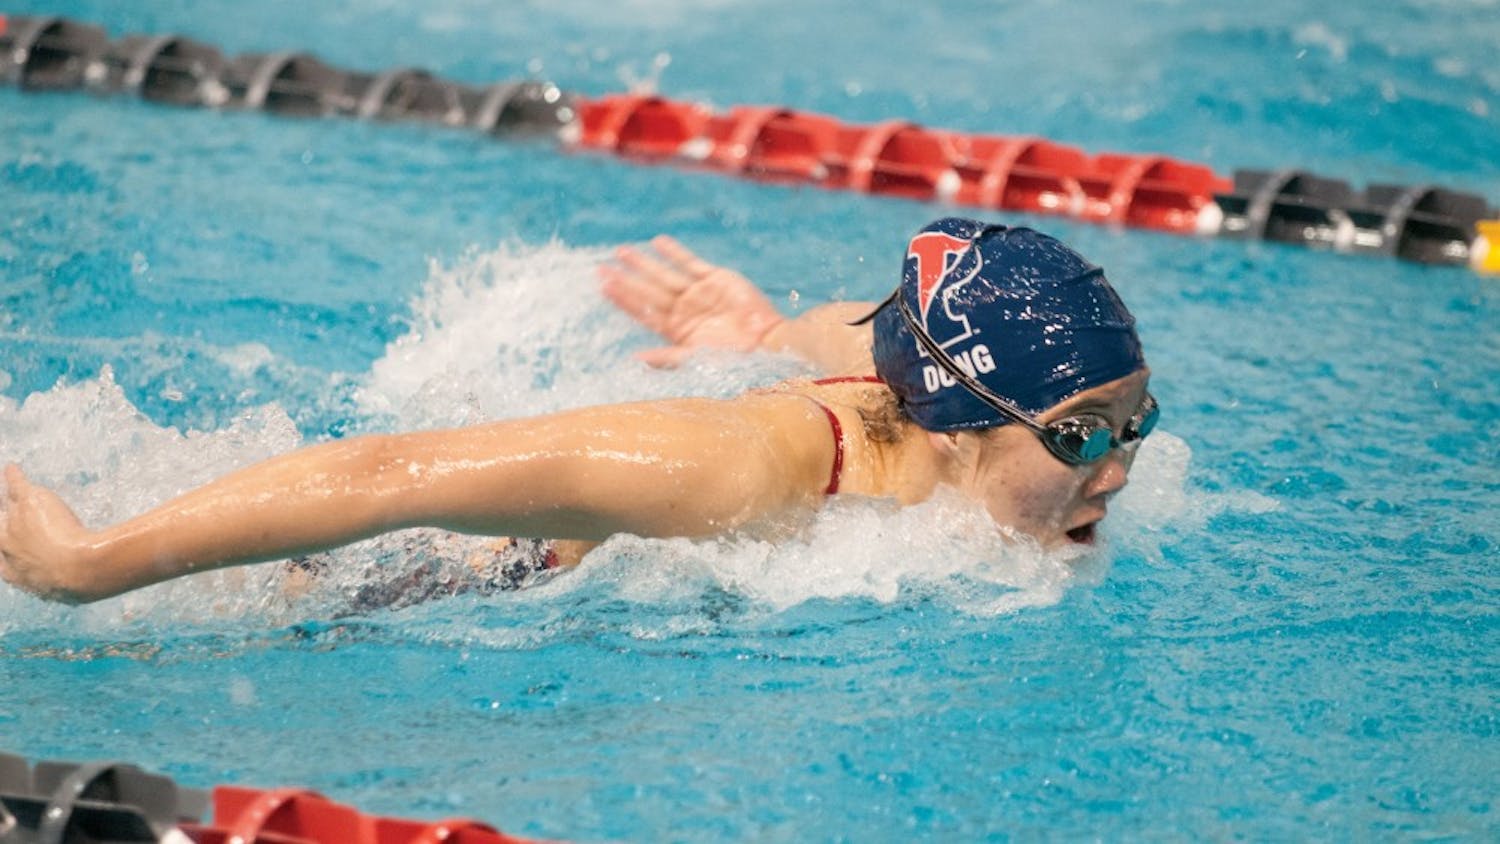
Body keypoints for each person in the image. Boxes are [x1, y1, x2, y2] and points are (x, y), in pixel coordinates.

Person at [0, 218, 1157, 605]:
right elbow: (389, 476)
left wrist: (760, 330)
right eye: (1081, 431)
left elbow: (867, 324)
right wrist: (85, 562)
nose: (1117, 466)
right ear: (962, 418)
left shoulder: (949, 422)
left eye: (1133, 421)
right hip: (409, 579)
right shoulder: (728, 468)